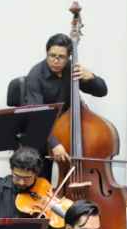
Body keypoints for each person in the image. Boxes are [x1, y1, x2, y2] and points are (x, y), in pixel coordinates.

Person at [24, 33, 107, 172]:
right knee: (41, 170)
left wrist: (92, 78)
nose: (55, 60)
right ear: (47, 53)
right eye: (52, 55)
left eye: (61, 57)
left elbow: (102, 92)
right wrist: (54, 144)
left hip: (66, 128)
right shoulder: (35, 75)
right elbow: (37, 116)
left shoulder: (71, 69)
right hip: (43, 128)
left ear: (68, 56)